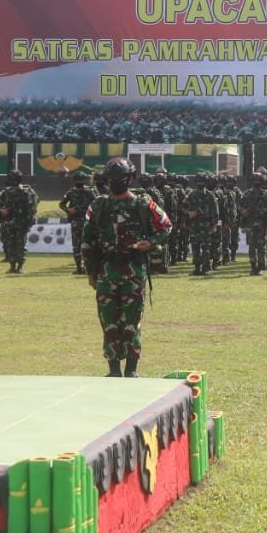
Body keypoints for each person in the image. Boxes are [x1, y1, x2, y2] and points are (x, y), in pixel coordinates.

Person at [81, 158, 171, 377]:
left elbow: (165, 226)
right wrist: (91, 272)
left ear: (130, 178)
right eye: (112, 178)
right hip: (106, 271)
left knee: (132, 322)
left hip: (134, 271)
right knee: (108, 322)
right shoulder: (99, 205)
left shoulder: (143, 204)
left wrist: (150, 242)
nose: (115, 182)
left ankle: (131, 369)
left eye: (120, 178)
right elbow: (87, 241)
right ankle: (113, 370)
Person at [59, 171, 96, 274]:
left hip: (87, 222)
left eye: (81, 180)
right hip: (75, 222)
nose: (79, 182)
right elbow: (61, 204)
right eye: (78, 180)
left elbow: (96, 204)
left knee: (88, 245)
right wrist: (68, 210)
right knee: (76, 246)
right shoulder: (71, 192)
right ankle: (79, 267)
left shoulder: (90, 192)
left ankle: (88, 267)